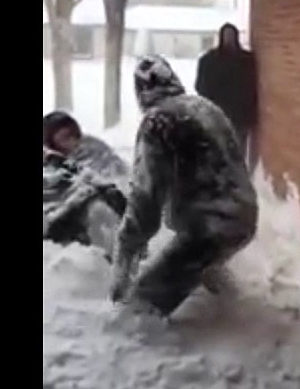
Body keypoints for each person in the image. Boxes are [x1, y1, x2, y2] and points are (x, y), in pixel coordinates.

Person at [109, 55, 259, 317]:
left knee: (139, 309)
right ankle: (246, 320)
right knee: (203, 269)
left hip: (208, 227)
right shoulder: (205, 107)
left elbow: (146, 196)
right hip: (242, 216)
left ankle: (240, 339)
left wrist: (125, 254)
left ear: (140, 92)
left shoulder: (158, 121)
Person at [42, 146, 127, 256]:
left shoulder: (54, 159)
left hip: (84, 198)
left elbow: (84, 173)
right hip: (61, 220)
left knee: (100, 210)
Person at [195, 23, 259, 170]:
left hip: (240, 116)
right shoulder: (209, 60)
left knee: (237, 152)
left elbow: (252, 88)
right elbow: (200, 87)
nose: (229, 39)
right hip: (217, 115)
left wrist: (249, 112)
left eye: (231, 36)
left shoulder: (246, 60)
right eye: (226, 36)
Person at [42, 111, 129, 181]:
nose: (73, 141)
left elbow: (99, 179)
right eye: (65, 138)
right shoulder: (48, 152)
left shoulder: (92, 149)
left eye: (75, 135)